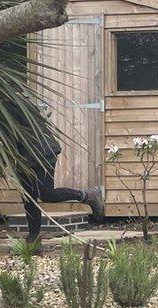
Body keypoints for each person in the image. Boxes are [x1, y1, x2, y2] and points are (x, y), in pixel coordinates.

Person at [8, 100, 104, 247]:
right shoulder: (3, 104)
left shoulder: (7, 105)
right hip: (25, 156)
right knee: (28, 197)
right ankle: (33, 237)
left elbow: (15, 132)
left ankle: (88, 196)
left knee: (45, 193)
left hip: (42, 152)